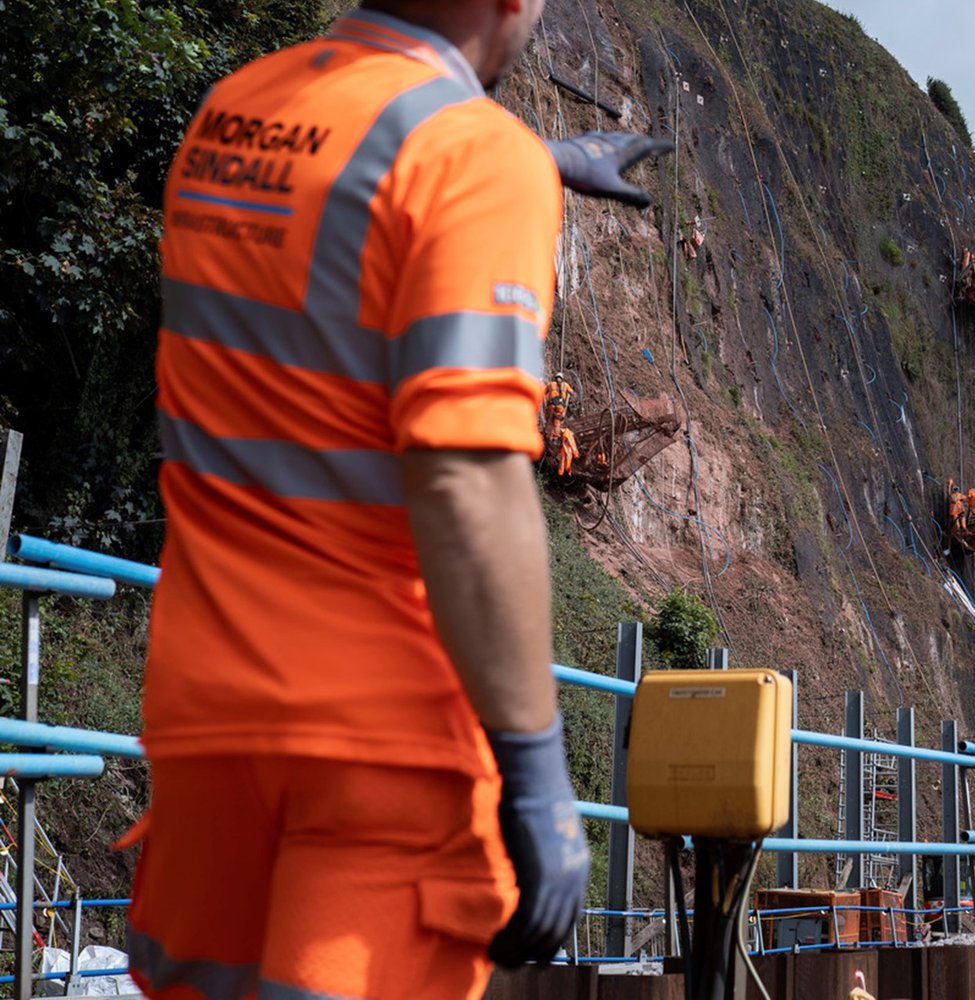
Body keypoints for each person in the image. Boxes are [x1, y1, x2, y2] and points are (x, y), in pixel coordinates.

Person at [130, 2, 670, 997]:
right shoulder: (470, 156)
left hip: (206, 715)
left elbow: (339, 190)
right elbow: (465, 478)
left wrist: (532, 159)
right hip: (377, 745)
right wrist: (540, 776)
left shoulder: (231, 116)